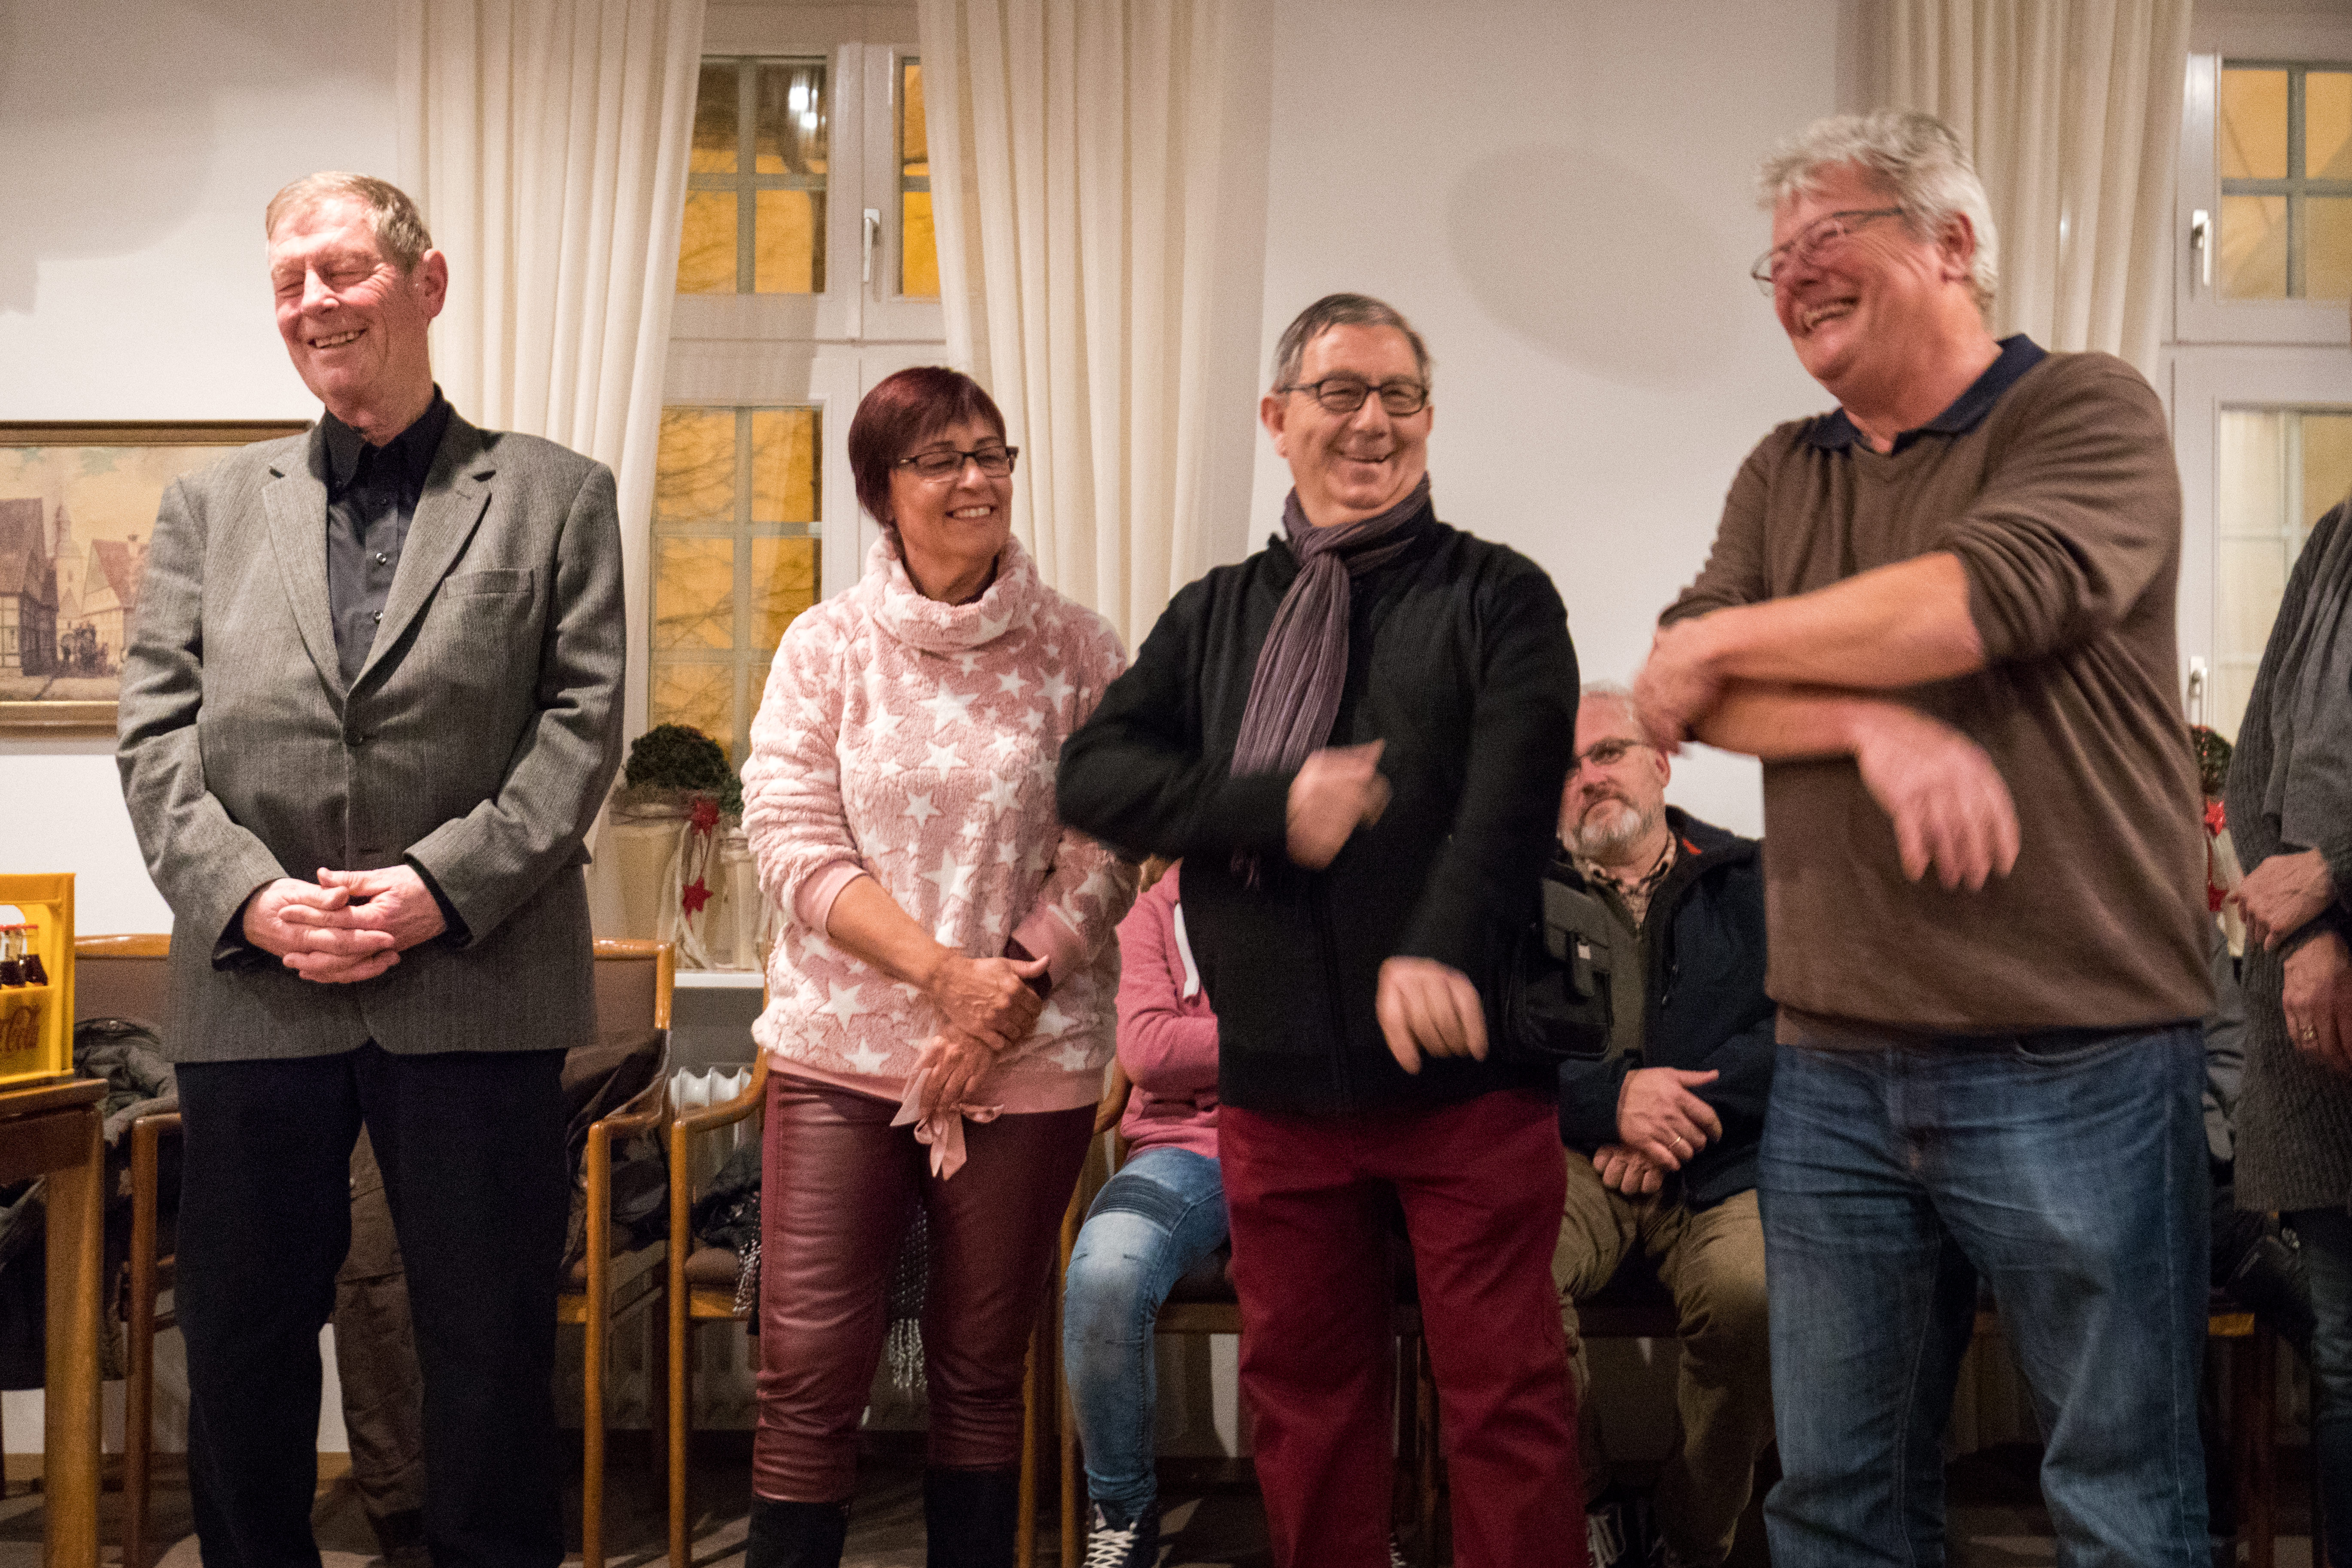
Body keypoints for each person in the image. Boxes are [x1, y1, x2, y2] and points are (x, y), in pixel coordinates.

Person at [1632, 111, 2213, 1565]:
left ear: (1950, 243)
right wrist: (1867, 728)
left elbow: (1978, 598)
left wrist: (1717, 643)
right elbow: (1683, 694)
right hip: (1833, 1062)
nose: (1791, 275)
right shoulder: (1784, 467)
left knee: (2118, 1498)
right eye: (1773, 258)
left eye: (1827, 236)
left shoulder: (2085, 407)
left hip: (2076, 1049)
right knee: (1835, 1502)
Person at [116, 171, 625, 1568]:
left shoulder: (556, 496)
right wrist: (251, 898)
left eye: (340, 270)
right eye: (289, 281)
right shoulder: (207, 507)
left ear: (427, 282)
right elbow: (154, 739)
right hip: (251, 986)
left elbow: (580, 730)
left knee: (488, 1348)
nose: (313, 302)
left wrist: (437, 888)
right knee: (241, 1346)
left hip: (478, 979)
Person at [1058, 292, 1585, 1568]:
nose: (1372, 421)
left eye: (1400, 395)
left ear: (1428, 418)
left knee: (1506, 1402)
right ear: (1276, 417)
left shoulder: (1501, 595)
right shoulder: (1214, 614)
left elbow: (1511, 804)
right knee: (1305, 1404)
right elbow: (1094, 775)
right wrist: (1268, 804)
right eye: (1341, 392)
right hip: (1278, 1088)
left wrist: (1437, 945)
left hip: (1469, 1086)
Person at [738, 365, 1135, 1568]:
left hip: (1028, 1057)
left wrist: (998, 997)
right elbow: (788, 835)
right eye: (941, 458)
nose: (976, 478)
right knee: (807, 1366)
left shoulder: (1080, 647)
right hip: (840, 1054)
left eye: (991, 454)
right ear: (881, 489)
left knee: (979, 1365)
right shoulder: (826, 645)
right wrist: (943, 978)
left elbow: (1109, 844)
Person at [1549, 686, 1772, 1568]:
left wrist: (1677, 1115)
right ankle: (1590, 1506)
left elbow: (1799, 1027)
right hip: (1574, 1160)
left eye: (1607, 752)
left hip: (1720, 1160)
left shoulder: (1750, 877)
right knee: (1503, 1275)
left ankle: (1689, 1534)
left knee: (1752, 1293)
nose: (1588, 777)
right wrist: (1611, 1104)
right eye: (1567, 766)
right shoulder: (1520, 896)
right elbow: (1497, 1044)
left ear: (1660, 764)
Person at [2221, 282, 2352, 1563]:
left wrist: (2336, 876)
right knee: (2347, 1358)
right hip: (2317, 1019)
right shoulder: (2334, 539)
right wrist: (2306, 926)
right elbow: (2258, 748)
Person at [1064, 860, 1225, 1567]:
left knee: (1344, 1279)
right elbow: (1150, 1051)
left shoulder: (1320, 892)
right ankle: (1122, 1513)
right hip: (1182, 1150)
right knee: (1103, 1274)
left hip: (1307, 1146)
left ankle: (1355, 1518)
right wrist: (1279, 1039)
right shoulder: (1153, 908)